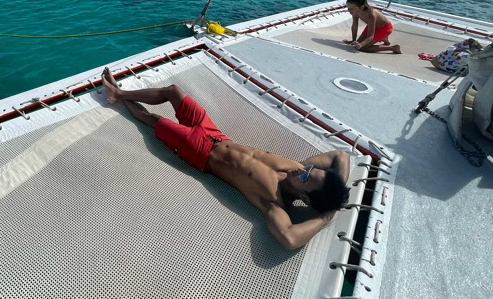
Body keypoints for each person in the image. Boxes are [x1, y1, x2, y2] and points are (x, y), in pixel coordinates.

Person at [101, 68, 350, 249]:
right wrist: (334, 195)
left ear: (305, 198)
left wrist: (325, 216)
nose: (302, 170)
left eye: (306, 177)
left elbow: (290, 238)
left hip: (199, 152)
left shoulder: (274, 202)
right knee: (173, 91)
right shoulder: (297, 168)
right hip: (215, 134)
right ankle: (120, 93)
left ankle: (116, 96)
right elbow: (341, 156)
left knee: (154, 120)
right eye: (310, 168)